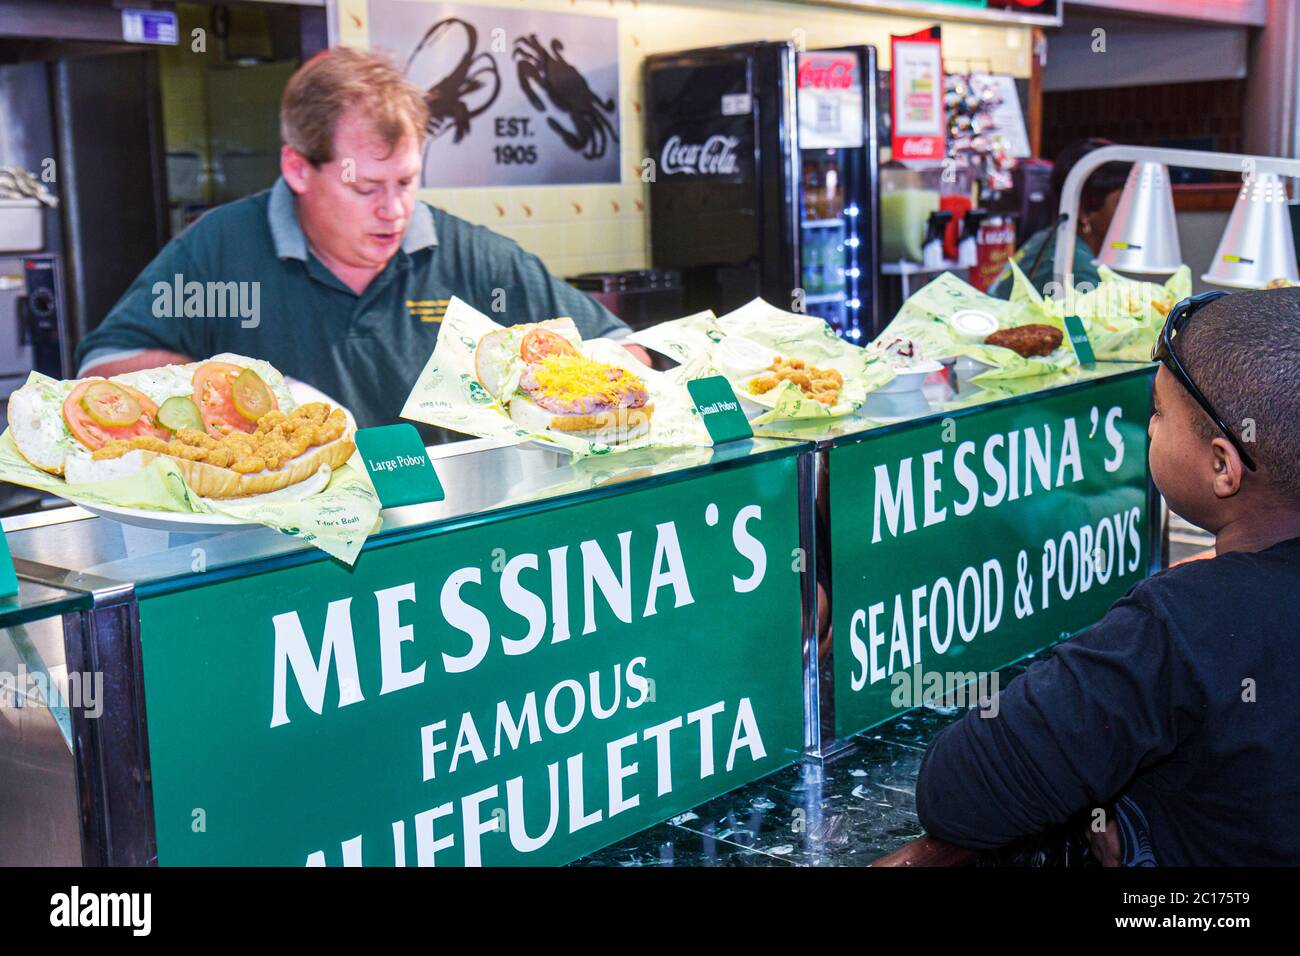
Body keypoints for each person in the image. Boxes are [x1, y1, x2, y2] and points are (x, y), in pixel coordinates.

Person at [73, 47, 646, 436]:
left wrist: (554, 390)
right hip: (270, 559)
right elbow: (101, 370)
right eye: (367, 186)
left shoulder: (472, 257)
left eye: (406, 181)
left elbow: (624, 350)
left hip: (445, 545)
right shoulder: (220, 251)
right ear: (298, 169)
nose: (394, 210)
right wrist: (234, 391)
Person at [915, 288, 1300, 866]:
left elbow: (956, 791)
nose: (1148, 429)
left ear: (1222, 466)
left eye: (1159, 413)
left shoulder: (1184, 625)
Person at [988, 138, 1130, 299]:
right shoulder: (1076, 268)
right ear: (1084, 211)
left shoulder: (1053, 238)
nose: (1131, 213)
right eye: (1121, 203)